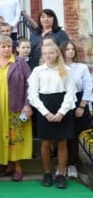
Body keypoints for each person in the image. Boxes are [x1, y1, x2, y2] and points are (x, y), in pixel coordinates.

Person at [28, 43, 77, 189]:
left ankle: (61, 174)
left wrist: (62, 111)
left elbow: (70, 93)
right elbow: (33, 95)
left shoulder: (66, 70)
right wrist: (45, 113)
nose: (48, 56)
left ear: (57, 54)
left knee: (62, 142)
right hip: (45, 107)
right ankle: (47, 173)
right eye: (45, 54)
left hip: (62, 107)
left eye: (51, 53)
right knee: (46, 143)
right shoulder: (38, 71)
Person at [0, 36, 33, 182]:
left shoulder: (20, 63)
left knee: (15, 137)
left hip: (16, 106)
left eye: (8, 46)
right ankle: (8, 165)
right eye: (3, 46)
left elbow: (30, 85)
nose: (6, 49)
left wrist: (27, 104)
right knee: (1, 136)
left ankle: (18, 166)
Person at [60, 41, 93, 178]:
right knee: (62, 135)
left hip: (78, 101)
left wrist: (82, 106)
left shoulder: (81, 68)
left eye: (72, 49)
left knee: (73, 135)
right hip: (61, 101)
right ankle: (62, 164)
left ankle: (72, 164)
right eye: (67, 49)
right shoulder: (58, 67)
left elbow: (88, 87)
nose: (70, 51)